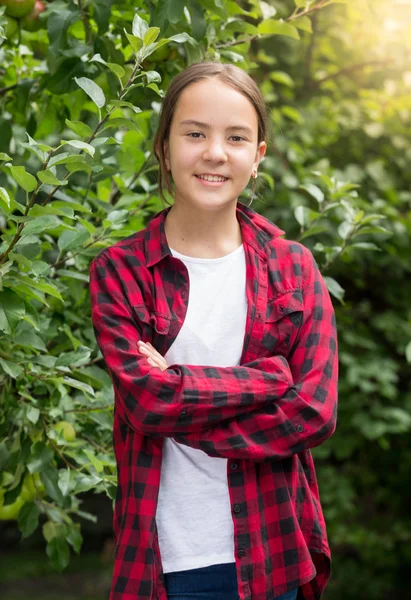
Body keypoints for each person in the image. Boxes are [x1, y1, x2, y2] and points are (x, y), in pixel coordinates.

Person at [89, 61, 338, 600]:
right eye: (195, 133)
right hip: (168, 563)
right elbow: (147, 406)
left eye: (236, 137)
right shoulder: (121, 271)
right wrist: (271, 379)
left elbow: (314, 411)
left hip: (275, 554)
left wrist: (179, 389)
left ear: (257, 157)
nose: (214, 153)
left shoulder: (294, 268)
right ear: (164, 146)